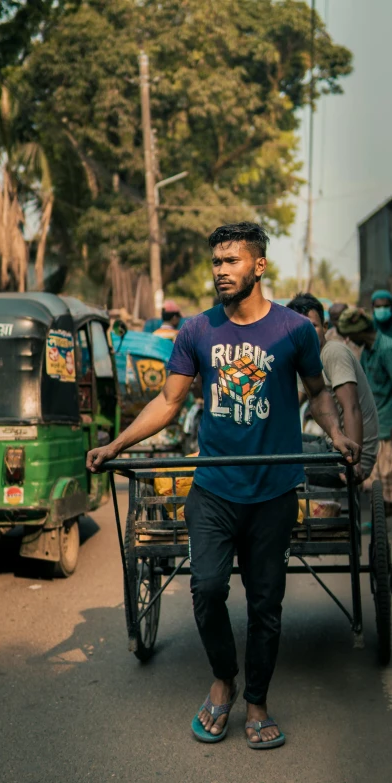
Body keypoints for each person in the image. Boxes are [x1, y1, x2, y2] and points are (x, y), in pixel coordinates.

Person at [87, 221, 359, 749]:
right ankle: (223, 679)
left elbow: (318, 392)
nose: (221, 271)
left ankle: (256, 701)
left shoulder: (293, 331)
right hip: (212, 489)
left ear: (259, 266)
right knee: (207, 590)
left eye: (231, 261)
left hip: (275, 490)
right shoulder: (196, 330)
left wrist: (338, 434)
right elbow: (168, 403)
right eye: (216, 262)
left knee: (265, 604)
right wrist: (116, 445)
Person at [287, 293, 378, 486]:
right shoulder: (309, 360)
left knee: (274, 451)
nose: (306, 333)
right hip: (329, 444)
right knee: (274, 440)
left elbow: (351, 407)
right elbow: (292, 403)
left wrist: (352, 463)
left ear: (325, 327)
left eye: (312, 326)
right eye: (298, 328)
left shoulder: (333, 352)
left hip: (349, 453)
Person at [337, 307, 392, 512]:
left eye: (351, 335)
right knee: (376, 478)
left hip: (388, 421)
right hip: (375, 418)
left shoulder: (386, 349)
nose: (350, 340)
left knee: (386, 476)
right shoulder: (368, 352)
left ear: (360, 332)